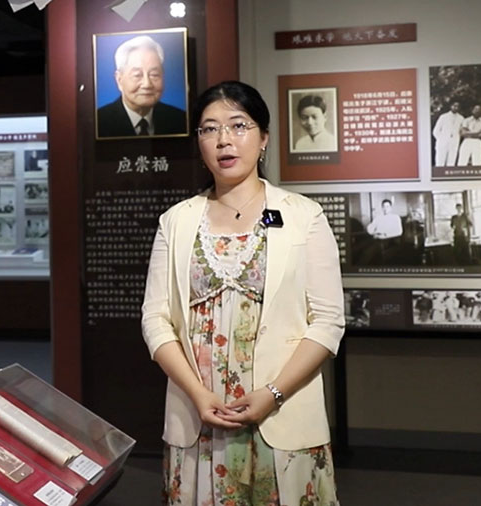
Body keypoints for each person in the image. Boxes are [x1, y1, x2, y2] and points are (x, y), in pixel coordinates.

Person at [142, 81, 343, 505]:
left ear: (263, 137)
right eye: (209, 129)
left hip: (282, 410)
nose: (224, 140)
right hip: (200, 416)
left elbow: (327, 321)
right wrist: (198, 394)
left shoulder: (303, 215)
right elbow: (155, 320)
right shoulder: (176, 221)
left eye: (238, 125)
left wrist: (273, 393)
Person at [97, 35, 187, 138]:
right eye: (137, 75)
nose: (147, 84)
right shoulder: (99, 122)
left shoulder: (180, 120)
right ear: (119, 80)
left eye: (154, 75)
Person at [432, 101, 464, 166]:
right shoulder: (443, 117)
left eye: (457, 106)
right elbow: (435, 131)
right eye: (454, 106)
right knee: (440, 162)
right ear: (451, 106)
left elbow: (462, 131)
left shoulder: (461, 118)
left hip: (454, 142)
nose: (456, 108)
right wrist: (441, 139)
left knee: (451, 162)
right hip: (442, 142)